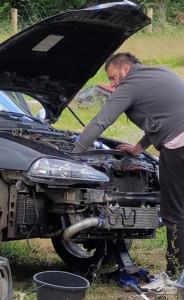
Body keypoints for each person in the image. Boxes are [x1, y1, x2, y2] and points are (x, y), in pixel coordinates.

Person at [73, 52, 184, 278]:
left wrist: (74, 154)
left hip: (178, 145)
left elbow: (101, 121)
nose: (112, 85)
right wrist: (137, 148)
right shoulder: (161, 72)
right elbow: (164, 116)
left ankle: (175, 275)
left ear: (125, 68)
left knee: (174, 215)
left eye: (113, 78)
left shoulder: (130, 85)